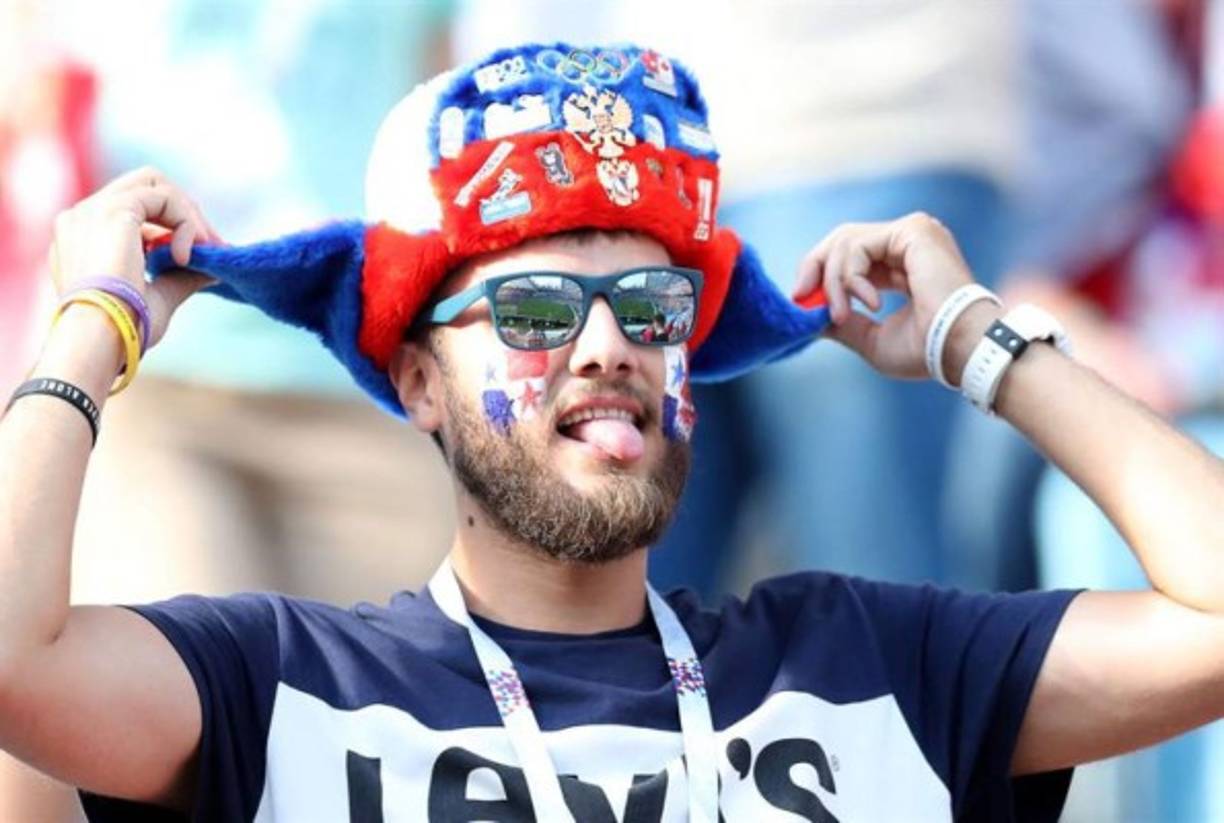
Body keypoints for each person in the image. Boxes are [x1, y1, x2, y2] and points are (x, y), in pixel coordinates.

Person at [0, 42, 1221, 822]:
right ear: (419, 377)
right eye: (534, 307)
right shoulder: (286, 685)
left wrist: (974, 339)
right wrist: (91, 331)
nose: (605, 346)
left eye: (651, 307)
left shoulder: (867, 661)